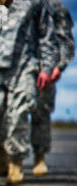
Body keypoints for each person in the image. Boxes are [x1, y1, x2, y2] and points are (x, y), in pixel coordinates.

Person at [0, 0, 59, 185]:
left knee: (18, 114)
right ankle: (1, 147)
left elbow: (47, 35)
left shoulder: (36, 3)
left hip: (25, 65)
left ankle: (15, 163)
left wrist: (47, 67)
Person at [30, 0, 75, 176]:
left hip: (44, 65)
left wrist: (60, 65)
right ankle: (6, 156)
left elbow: (65, 38)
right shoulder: (8, 5)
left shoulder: (54, 6)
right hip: (13, 65)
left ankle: (39, 156)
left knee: (41, 110)